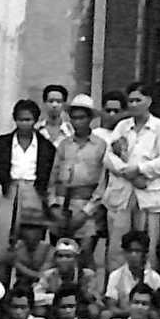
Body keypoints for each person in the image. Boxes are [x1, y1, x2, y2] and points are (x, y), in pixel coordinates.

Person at [103, 82, 160, 271]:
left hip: (147, 194)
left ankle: (145, 290)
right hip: (123, 192)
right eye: (130, 100)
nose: (133, 104)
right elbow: (108, 157)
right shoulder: (122, 126)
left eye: (137, 100)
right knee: (117, 247)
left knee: (147, 247)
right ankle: (115, 290)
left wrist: (141, 169)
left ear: (148, 101)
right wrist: (130, 174)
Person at [48, 93, 108, 262]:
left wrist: (86, 212)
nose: (77, 122)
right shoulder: (64, 144)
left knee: (84, 257)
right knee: (59, 256)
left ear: (90, 119)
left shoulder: (101, 145)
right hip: (61, 206)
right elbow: (52, 177)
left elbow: (103, 183)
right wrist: (53, 206)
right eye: (73, 118)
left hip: (86, 208)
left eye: (81, 118)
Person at [104, 231, 160, 318]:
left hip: (146, 317)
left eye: (137, 251)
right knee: (105, 315)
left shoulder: (155, 278)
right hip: (123, 316)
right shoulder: (115, 276)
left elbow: (158, 307)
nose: (133, 255)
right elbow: (111, 305)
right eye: (129, 251)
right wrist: (130, 312)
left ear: (145, 253)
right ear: (124, 252)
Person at [34, 238, 100, 315]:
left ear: (76, 259)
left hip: (78, 308)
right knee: (40, 311)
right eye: (60, 256)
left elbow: (97, 300)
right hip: (56, 308)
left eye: (68, 256)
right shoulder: (49, 274)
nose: (63, 259)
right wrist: (57, 298)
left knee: (93, 310)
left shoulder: (87, 275)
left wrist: (85, 293)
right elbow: (36, 297)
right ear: (55, 259)